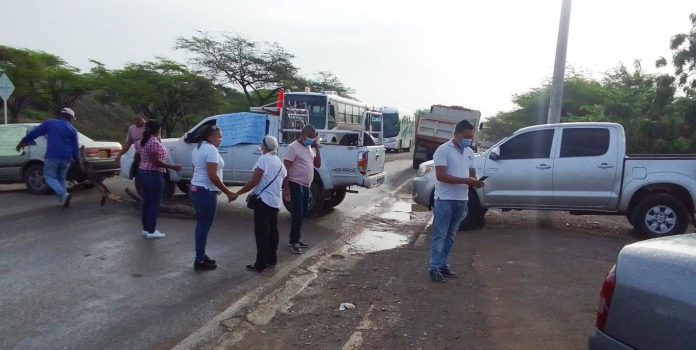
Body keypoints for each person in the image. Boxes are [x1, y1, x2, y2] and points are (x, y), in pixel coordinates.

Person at [428, 120, 485, 283]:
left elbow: (472, 174)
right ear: (457, 134)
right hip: (445, 199)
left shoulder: (468, 152)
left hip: (462, 199)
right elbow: (441, 176)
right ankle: (434, 268)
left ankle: (443, 265)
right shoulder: (443, 150)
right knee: (440, 235)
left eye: (471, 136)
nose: (469, 139)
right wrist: (466, 180)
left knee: (451, 236)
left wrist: (477, 181)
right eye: (467, 136)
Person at [234, 136, 287, 272]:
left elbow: (254, 181)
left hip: (263, 202)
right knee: (273, 232)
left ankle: (260, 264)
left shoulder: (263, 160)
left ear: (264, 147)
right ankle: (272, 260)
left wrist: (237, 193)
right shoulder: (280, 162)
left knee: (262, 233)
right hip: (275, 202)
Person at [16, 107, 82, 208]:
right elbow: (75, 147)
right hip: (66, 158)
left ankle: (63, 195)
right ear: (70, 118)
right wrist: (77, 160)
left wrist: (24, 141)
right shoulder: (72, 129)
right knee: (61, 178)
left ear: (61, 115)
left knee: (49, 176)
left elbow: (35, 133)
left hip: (53, 156)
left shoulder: (50, 123)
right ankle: (63, 200)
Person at [189, 125, 235, 271]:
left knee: (201, 225)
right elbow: (212, 175)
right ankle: (199, 260)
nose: (221, 139)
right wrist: (228, 191)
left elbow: (196, 169)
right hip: (205, 191)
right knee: (204, 226)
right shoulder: (211, 150)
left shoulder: (199, 147)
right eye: (218, 136)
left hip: (197, 188)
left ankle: (201, 255)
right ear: (210, 137)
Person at [136, 120, 182, 239]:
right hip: (153, 174)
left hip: (143, 172)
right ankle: (152, 230)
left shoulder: (143, 141)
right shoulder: (154, 143)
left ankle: (146, 229)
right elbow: (155, 162)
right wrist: (172, 166)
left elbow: (139, 157)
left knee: (146, 202)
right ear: (158, 129)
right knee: (154, 203)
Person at [283, 124, 321, 254]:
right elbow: (286, 168)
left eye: (314, 137)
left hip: (306, 185)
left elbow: (318, 164)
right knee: (298, 212)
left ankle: (296, 238)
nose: (312, 139)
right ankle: (293, 241)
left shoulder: (310, 147)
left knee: (303, 213)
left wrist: (317, 148)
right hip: (295, 183)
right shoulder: (293, 147)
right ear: (303, 134)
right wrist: (286, 188)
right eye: (310, 137)